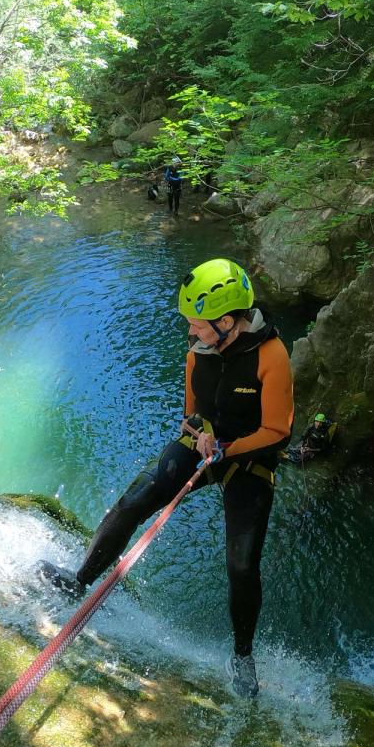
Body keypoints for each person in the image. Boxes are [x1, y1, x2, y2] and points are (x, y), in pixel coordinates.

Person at [39, 258, 294, 698]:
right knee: (134, 501)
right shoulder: (200, 352)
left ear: (228, 322)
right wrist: (201, 435)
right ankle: (78, 581)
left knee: (242, 563)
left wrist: (227, 450)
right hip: (207, 445)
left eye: (197, 325)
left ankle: (243, 656)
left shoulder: (272, 356)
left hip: (251, 458)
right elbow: (191, 414)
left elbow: (277, 430)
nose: (191, 333)